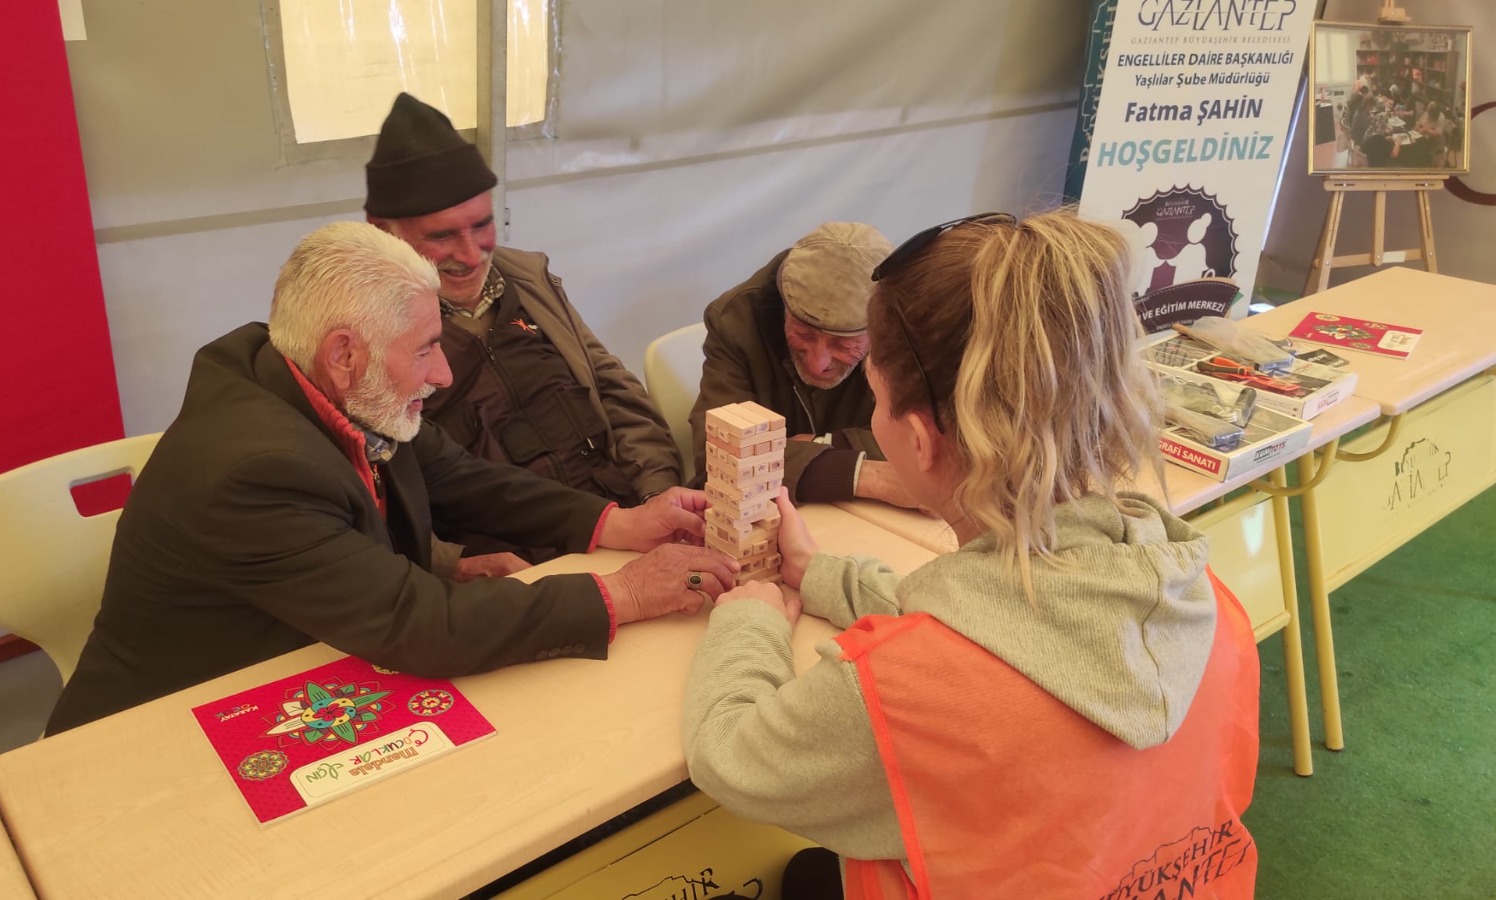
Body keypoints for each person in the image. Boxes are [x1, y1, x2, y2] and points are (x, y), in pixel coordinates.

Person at [682, 210, 1260, 898]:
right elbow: (1010, 624)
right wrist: (821, 573)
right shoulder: (1212, 610)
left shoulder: (895, 697)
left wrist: (748, 619)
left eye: (873, 395)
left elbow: (729, 757)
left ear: (919, 441)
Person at [46, 222, 737, 735]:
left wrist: (616, 523)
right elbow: (421, 624)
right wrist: (625, 592)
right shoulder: (251, 471)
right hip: (159, 734)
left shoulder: (306, 371)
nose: (441, 375)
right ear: (344, 353)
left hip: (293, 670)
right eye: (428, 349)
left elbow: (456, 475)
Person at [364, 92, 682, 574]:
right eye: (442, 235)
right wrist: (453, 564)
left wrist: (657, 493)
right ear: (383, 231)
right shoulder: (363, 335)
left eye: (482, 225)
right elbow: (373, 493)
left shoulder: (530, 281)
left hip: (623, 524)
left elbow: (615, 393)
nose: (471, 255)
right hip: (513, 569)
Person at [689, 222, 918, 507]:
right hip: (770, 509)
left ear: (882, 327)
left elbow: (934, 439)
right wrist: (865, 474)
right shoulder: (737, 321)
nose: (817, 362)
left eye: (842, 344)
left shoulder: (912, 323)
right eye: (803, 333)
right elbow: (719, 457)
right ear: (783, 306)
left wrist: (825, 443)